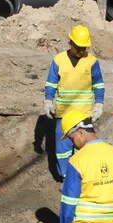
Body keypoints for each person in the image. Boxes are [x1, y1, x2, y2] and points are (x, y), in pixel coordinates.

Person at [43, 25, 105, 179]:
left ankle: (82, 175)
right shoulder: (58, 60)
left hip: (83, 113)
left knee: (83, 146)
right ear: (70, 43)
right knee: (62, 147)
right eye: (79, 47)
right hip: (64, 113)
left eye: (84, 48)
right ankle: (65, 176)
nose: (82, 51)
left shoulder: (91, 62)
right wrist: (48, 101)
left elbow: (98, 84)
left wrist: (99, 103)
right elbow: (51, 83)